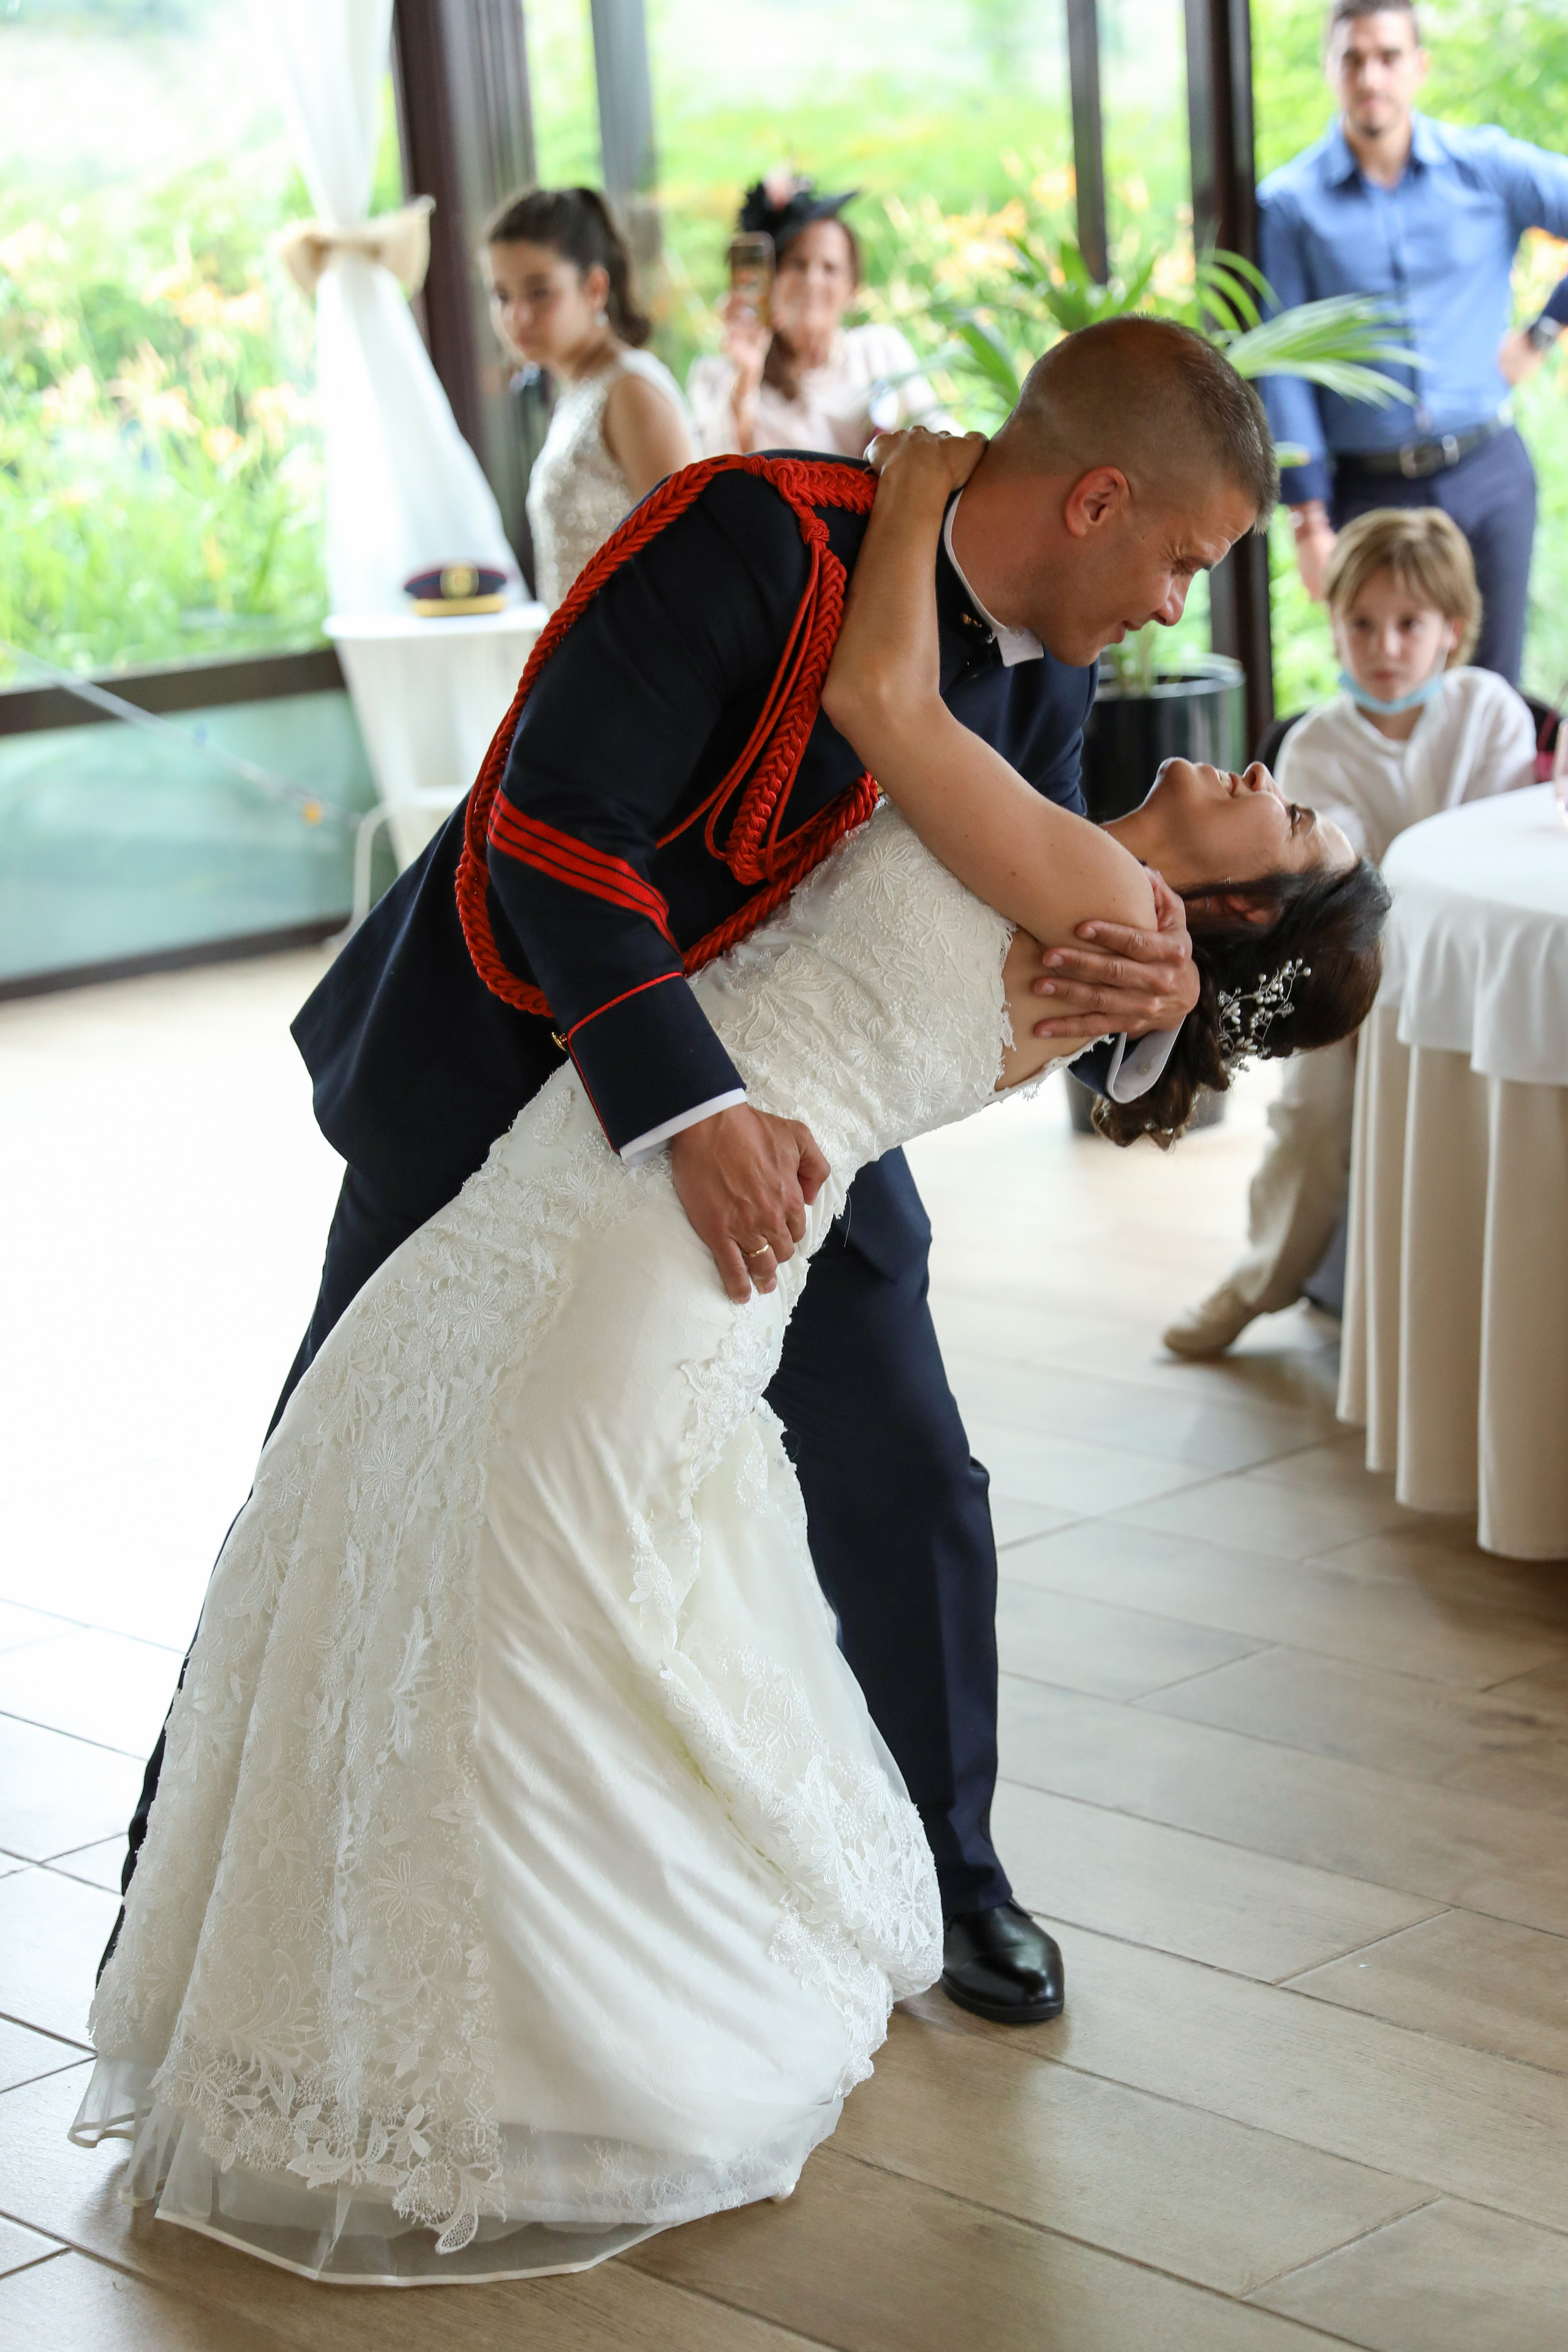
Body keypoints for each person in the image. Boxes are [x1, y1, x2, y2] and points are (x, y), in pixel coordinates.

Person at [74, 425, 1384, 2285]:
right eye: (1179, 558)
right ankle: (198, 1903)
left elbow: (1047, 892)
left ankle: (946, 1879)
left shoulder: (1061, 690)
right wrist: (692, 1098)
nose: (1181, 610)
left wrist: (1152, 1002)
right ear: (1095, 499)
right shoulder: (759, 535)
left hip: (786, 1148)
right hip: (536, 1065)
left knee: (878, 1475)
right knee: (340, 1462)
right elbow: (556, 823)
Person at [1164, 505, 1534, 1359]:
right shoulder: (1318, 745)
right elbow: (1343, 904)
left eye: (1409, 624)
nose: (1385, 646)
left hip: (1472, 972)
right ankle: (1261, 1279)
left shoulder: (1491, 713)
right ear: (1332, 627)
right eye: (1361, 623)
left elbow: (1491, 861)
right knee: (1313, 1110)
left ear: (1453, 629)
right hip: (1356, 978)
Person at [1259, 0, 1568, 685]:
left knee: (1494, 694)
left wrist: (1543, 330)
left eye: (1388, 56)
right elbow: (1282, 367)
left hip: (1488, 474)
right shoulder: (1288, 205)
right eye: (1352, 59)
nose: (1370, 76)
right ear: (1329, 68)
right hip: (1368, 492)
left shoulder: (1483, 166)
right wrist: (1308, 521)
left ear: (1419, 66)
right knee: (1387, 697)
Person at [484, 186, 695, 611]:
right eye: (502, 295)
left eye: (539, 292)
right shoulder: (580, 389)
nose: (517, 316)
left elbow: (687, 558)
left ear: (595, 288)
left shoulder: (630, 390)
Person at [688, 172, 947, 459]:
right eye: (798, 265)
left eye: (830, 268)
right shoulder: (717, 377)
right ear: (771, 278)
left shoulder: (879, 352)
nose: (812, 281)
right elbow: (713, 474)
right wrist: (746, 375)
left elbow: (944, 440)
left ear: (853, 288)